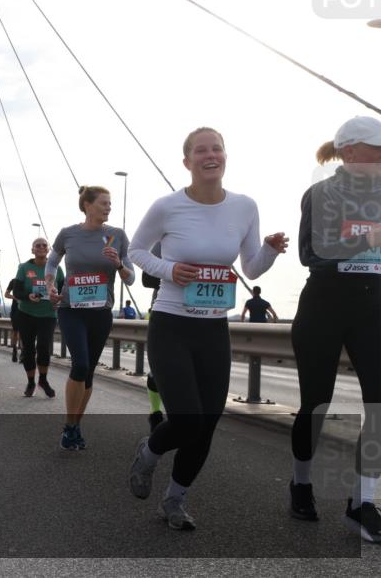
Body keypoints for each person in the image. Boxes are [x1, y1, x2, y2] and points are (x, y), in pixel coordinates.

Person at [127, 126, 287, 531]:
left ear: (225, 157)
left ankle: (174, 501)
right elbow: (136, 250)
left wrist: (269, 250)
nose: (210, 155)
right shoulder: (167, 206)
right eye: (201, 150)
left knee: (207, 423)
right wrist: (169, 269)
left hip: (213, 328)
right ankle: (149, 452)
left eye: (217, 148)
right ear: (187, 162)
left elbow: (251, 268)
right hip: (171, 324)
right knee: (187, 419)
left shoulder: (245, 207)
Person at [288, 116, 381, 543]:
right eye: (376, 148)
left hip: (371, 310)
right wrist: (368, 239)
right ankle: (301, 482)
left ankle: (362, 503)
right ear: (349, 151)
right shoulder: (322, 193)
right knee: (316, 405)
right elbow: (312, 254)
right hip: (323, 307)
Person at [46, 185, 135, 450]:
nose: (109, 207)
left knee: (89, 372)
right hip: (71, 309)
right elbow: (52, 262)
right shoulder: (68, 234)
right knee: (81, 365)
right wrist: (50, 285)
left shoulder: (117, 235)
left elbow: (131, 277)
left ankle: (75, 426)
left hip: (101, 313)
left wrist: (118, 264)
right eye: (104, 203)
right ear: (87, 205)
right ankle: (69, 425)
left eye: (110, 203)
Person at [13, 237, 65, 399]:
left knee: (43, 347)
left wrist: (59, 301)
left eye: (44, 245)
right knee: (28, 350)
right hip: (26, 314)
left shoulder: (57, 269)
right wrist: (28, 296)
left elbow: (64, 291)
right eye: (37, 245)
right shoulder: (24, 268)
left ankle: (43, 380)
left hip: (48, 315)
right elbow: (16, 291)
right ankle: (31, 382)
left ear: (49, 249)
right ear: (32, 250)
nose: (41, 247)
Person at [4, 277, 23, 362]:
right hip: (15, 310)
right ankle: (14, 350)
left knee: (23, 332)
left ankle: (23, 353)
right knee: (15, 331)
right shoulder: (13, 281)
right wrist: (15, 298)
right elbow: (6, 294)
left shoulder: (28, 280)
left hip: (26, 310)